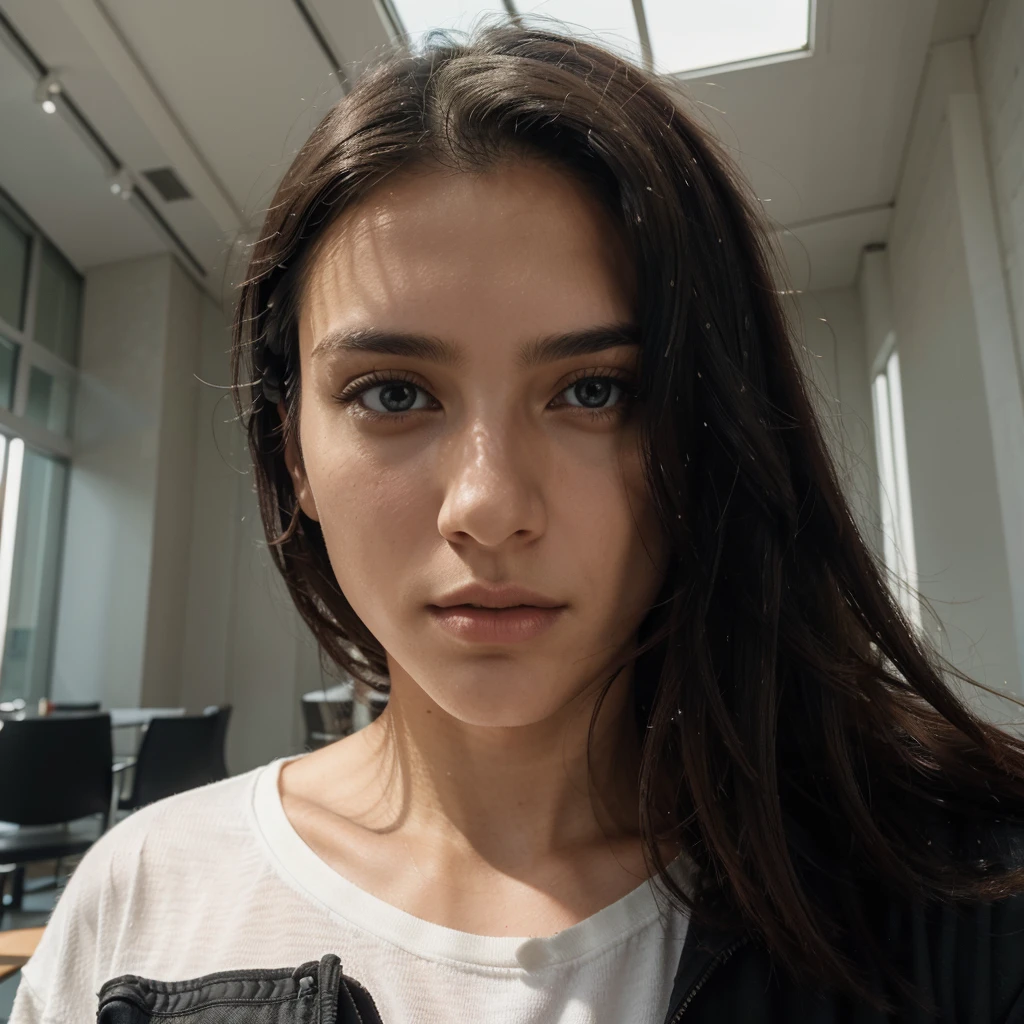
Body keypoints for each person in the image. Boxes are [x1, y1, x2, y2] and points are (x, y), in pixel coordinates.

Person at [13, 20, 1024, 1024]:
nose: (487, 506)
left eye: (592, 391)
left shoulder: (963, 903)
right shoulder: (140, 910)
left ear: (708, 425)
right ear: (292, 456)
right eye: (394, 395)